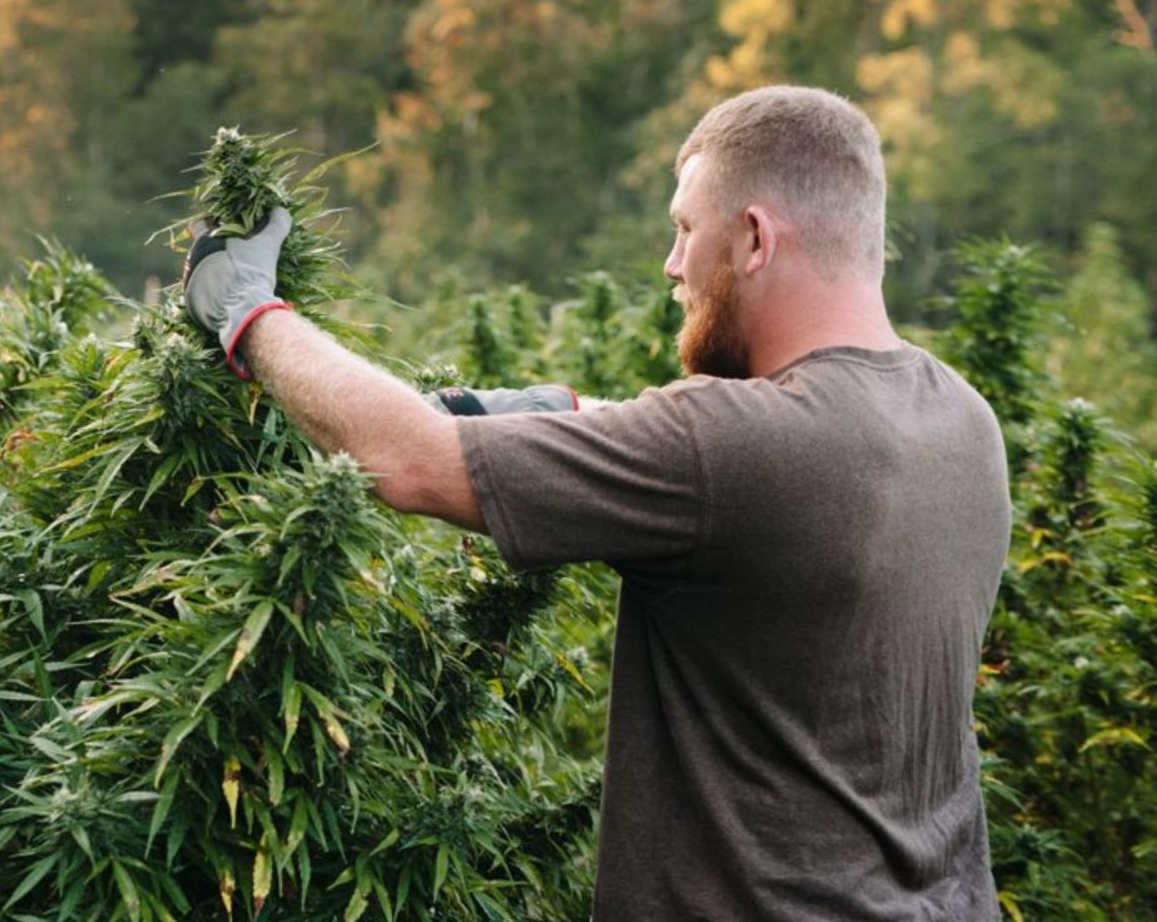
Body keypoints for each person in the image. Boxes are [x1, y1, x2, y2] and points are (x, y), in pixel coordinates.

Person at [181, 86, 1008, 920]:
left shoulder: (732, 448)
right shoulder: (961, 422)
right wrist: (554, 415)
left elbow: (409, 463)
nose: (672, 265)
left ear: (755, 238)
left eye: (685, 229)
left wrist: (250, 312)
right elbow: (732, 468)